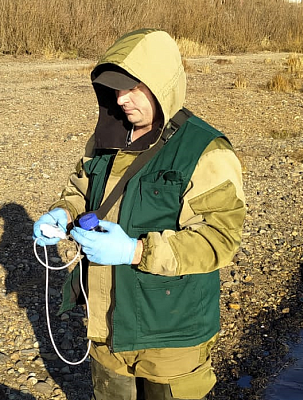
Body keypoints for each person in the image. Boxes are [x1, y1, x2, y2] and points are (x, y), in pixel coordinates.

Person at [33, 28, 245, 400]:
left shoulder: (206, 150)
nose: (123, 99)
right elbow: (81, 190)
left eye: (134, 88)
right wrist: (60, 214)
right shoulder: (106, 138)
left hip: (172, 334)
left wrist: (135, 251)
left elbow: (220, 240)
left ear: (162, 85)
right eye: (116, 89)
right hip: (107, 324)